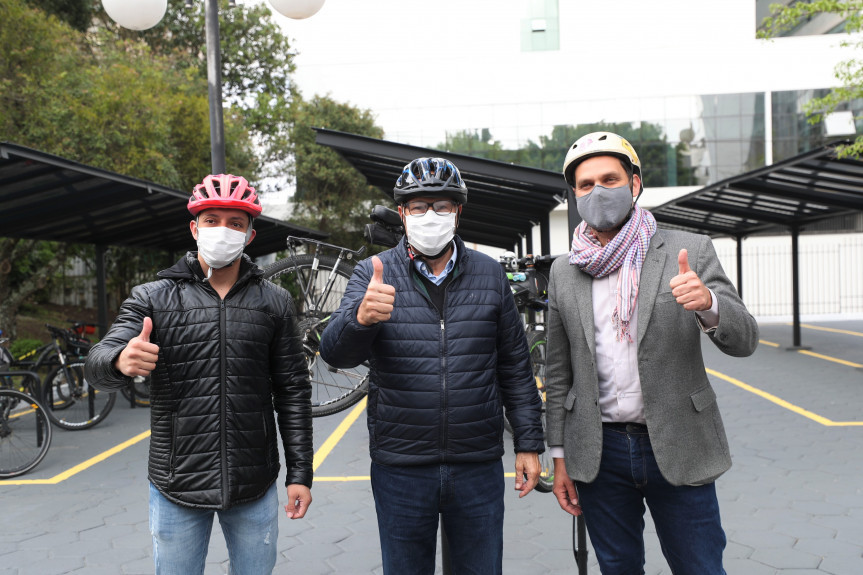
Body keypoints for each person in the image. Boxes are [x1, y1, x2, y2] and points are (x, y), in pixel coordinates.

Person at [545, 132, 759, 574]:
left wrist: (710, 306)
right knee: (618, 567)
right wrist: (559, 456)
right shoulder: (564, 272)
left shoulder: (689, 250)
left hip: (680, 443)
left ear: (635, 184)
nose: (598, 191)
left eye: (609, 178)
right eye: (585, 185)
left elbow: (745, 340)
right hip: (600, 453)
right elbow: (558, 370)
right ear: (574, 194)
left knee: (700, 566)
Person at [319, 157, 544, 575]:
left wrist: (529, 442)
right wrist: (360, 320)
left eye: (441, 206)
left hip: (477, 465)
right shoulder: (373, 273)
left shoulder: (489, 274)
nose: (430, 216)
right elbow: (334, 355)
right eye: (418, 207)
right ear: (402, 213)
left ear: (457, 211)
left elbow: (514, 366)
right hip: (401, 467)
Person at [84, 174, 313, 575]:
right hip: (176, 482)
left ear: (250, 235)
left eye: (235, 222)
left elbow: (292, 390)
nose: (222, 230)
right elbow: (98, 361)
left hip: (253, 482)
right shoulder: (151, 297)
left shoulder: (274, 302)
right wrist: (119, 361)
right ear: (194, 228)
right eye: (212, 220)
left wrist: (300, 474)